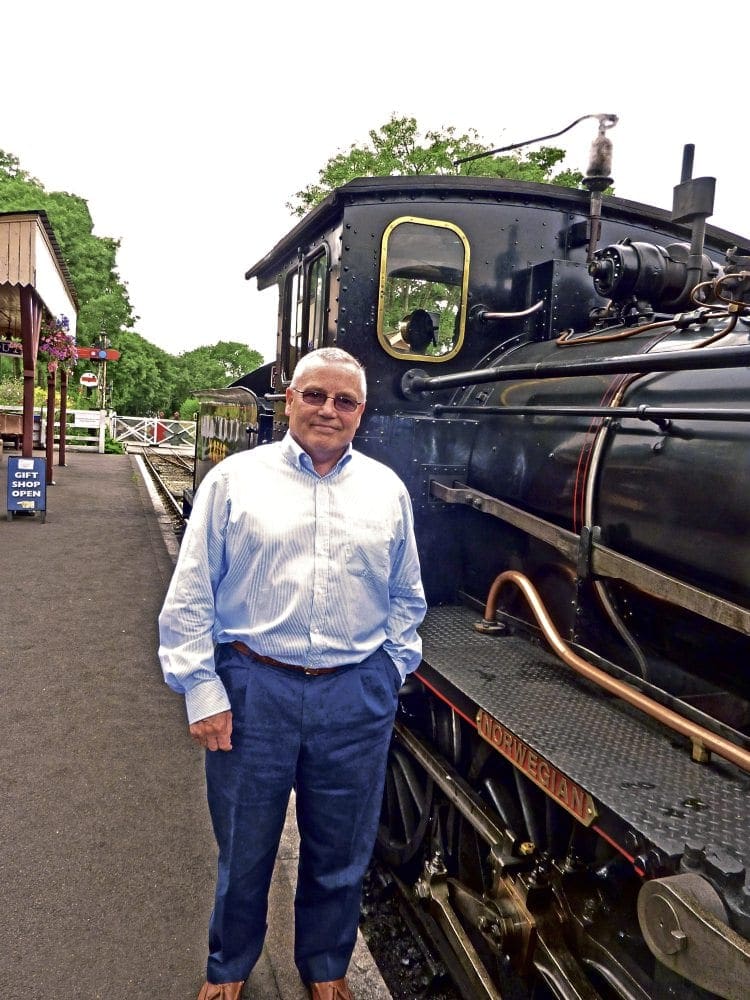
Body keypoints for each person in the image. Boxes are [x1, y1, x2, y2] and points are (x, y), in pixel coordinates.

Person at [158, 347, 427, 1000]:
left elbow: (406, 597)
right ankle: (229, 968)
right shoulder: (236, 481)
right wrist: (201, 687)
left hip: (354, 693)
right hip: (255, 688)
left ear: (361, 413)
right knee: (245, 852)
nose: (328, 411)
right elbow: (193, 590)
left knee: (339, 853)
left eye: (344, 401)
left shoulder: (386, 491)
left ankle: (326, 968)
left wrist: (387, 673)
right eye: (315, 395)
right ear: (289, 400)